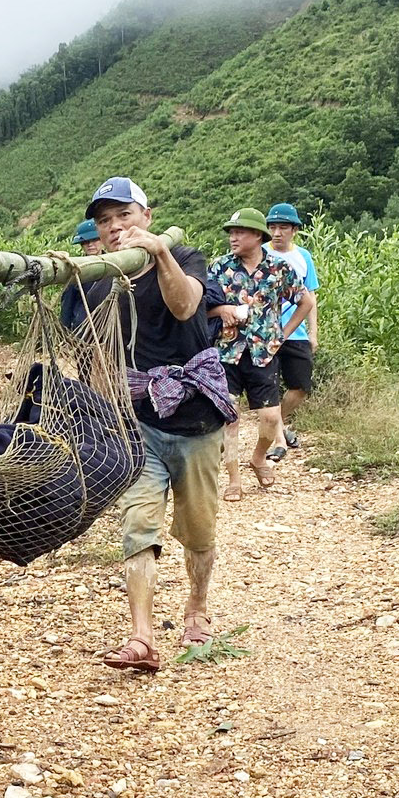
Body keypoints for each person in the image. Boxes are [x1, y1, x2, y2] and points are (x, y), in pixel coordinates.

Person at [88, 176, 234, 672]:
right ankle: (142, 638)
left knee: (198, 530)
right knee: (138, 525)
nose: (114, 227)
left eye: (123, 216)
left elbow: (185, 304)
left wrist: (159, 254)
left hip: (196, 420)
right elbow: (98, 349)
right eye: (104, 220)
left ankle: (196, 607)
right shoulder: (105, 276)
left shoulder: (187, 257)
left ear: (146, 217)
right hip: (140, 421)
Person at [206, 207, 308, 499]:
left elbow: (305, 301)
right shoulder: (219, 267)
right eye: (231, 232)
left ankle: (258, 457)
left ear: (256, 236)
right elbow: (200, 307)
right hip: (227, 352)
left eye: (239, 232)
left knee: (271, 417)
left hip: (263, 352)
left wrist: (283, 334)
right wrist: (222, 310)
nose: (233, 237)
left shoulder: (279, 269)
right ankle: (234, 480)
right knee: (230, 417)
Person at [265, 203, 319, 448]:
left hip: (295, 333)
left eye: (283, 228)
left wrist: (313, 333)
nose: (277, 233)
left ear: (294, 230)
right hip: (263, 333)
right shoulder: (259, 253)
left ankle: (280, 424)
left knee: (301, 386)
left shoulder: (303, 257)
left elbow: (311, 297)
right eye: (273, 227)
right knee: (267, 386)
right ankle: (277, 439)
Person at [60, 216, 107, 330]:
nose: (90, 245)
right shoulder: (75, 269)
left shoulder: (116, 265)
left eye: (94, 240)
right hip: (83, 328)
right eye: (85, 242)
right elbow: (67, 304)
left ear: (102, 239)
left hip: (109, 325)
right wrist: (64, 332)